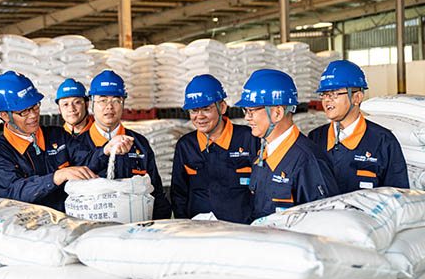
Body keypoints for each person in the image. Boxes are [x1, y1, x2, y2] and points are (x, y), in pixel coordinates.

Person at [0, 71, 132, 212]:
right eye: (24, 112)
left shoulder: (57, 136)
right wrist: (57, 176)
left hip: (67, 220)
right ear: (5, 116)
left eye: (35, 107)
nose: (33, 115)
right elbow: (13, 191)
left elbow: (86, 160)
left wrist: (106, 150)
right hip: (28, 225)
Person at [234, 69, 339, 222]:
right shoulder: (262, 157)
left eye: (251, 111)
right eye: (245, 111)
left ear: (277, 113)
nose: (246, 118)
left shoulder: (308, 161)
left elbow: (324, 222)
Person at [74, 70, 171, 219]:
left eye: (116, 100)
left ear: (123, 103)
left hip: (134, 227)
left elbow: (155, 191)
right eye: (103, 100)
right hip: (93, 229)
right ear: (91, 103)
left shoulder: (139, 143)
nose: (109, 107)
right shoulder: (77, 144)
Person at [308, 60, 408, 192]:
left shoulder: (383, 141)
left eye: (334, 93)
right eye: (324, 94)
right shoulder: (315, 138)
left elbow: (398, 196)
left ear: (357, 97)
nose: (327, 100)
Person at [171, 74, 259, 223]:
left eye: (206, 109)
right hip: (200, 231)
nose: (199, 117)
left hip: (243, 230)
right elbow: (179, 195)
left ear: (222, 107)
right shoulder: (186, 146)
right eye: (193, 111)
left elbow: (262, 190)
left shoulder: (249, 139)